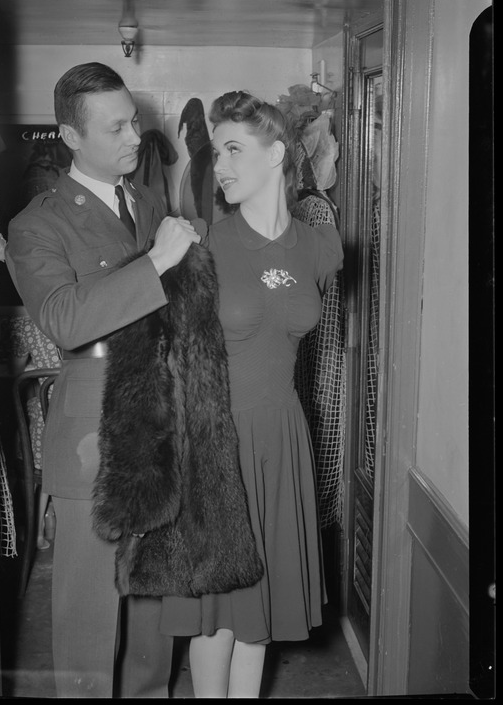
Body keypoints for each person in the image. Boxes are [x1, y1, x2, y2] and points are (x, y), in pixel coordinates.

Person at [4, 61, 201, 698]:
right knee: (89, 620)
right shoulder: (36, 224)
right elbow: (63, 319)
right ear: (69, 136)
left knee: (152, 612)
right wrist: (161, 263)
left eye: (134, 121)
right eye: (115, 127)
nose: (134, 136)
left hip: (159, 425)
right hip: (92, 435)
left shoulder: (147, 203)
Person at [159, 91, 344, 698]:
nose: (224, 165)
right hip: (220, 439)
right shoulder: (204, 244)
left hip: (284, 436)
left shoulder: (321, 248)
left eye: (235, 149)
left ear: (277, 155)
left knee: (258, 615)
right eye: (218, 152)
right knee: (217, 613)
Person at [2, 311, 60, 549]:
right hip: (79, 418)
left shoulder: (25, 322)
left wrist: (34, 366)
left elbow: (14, 371)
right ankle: (51, 517)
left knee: (29, 415)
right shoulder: (70, 312)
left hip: (46, 431)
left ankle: (36, 530)